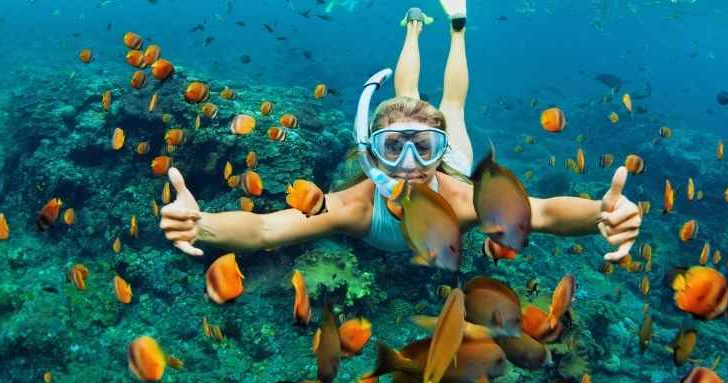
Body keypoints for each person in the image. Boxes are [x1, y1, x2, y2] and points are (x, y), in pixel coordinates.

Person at [159, 0, 641, 262]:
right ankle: (413, 29)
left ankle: (455, 27)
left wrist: (601, 212)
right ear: (373, 154)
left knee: (451, 104)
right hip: (412, 158)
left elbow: (545, 214)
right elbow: (266, 228)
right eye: (394, 147)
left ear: (439, 151)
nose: (409, 164)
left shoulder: (461, 197)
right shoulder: (353, 206)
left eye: (423, 147)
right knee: (409, 91)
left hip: (454, 165)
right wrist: (203, 225)